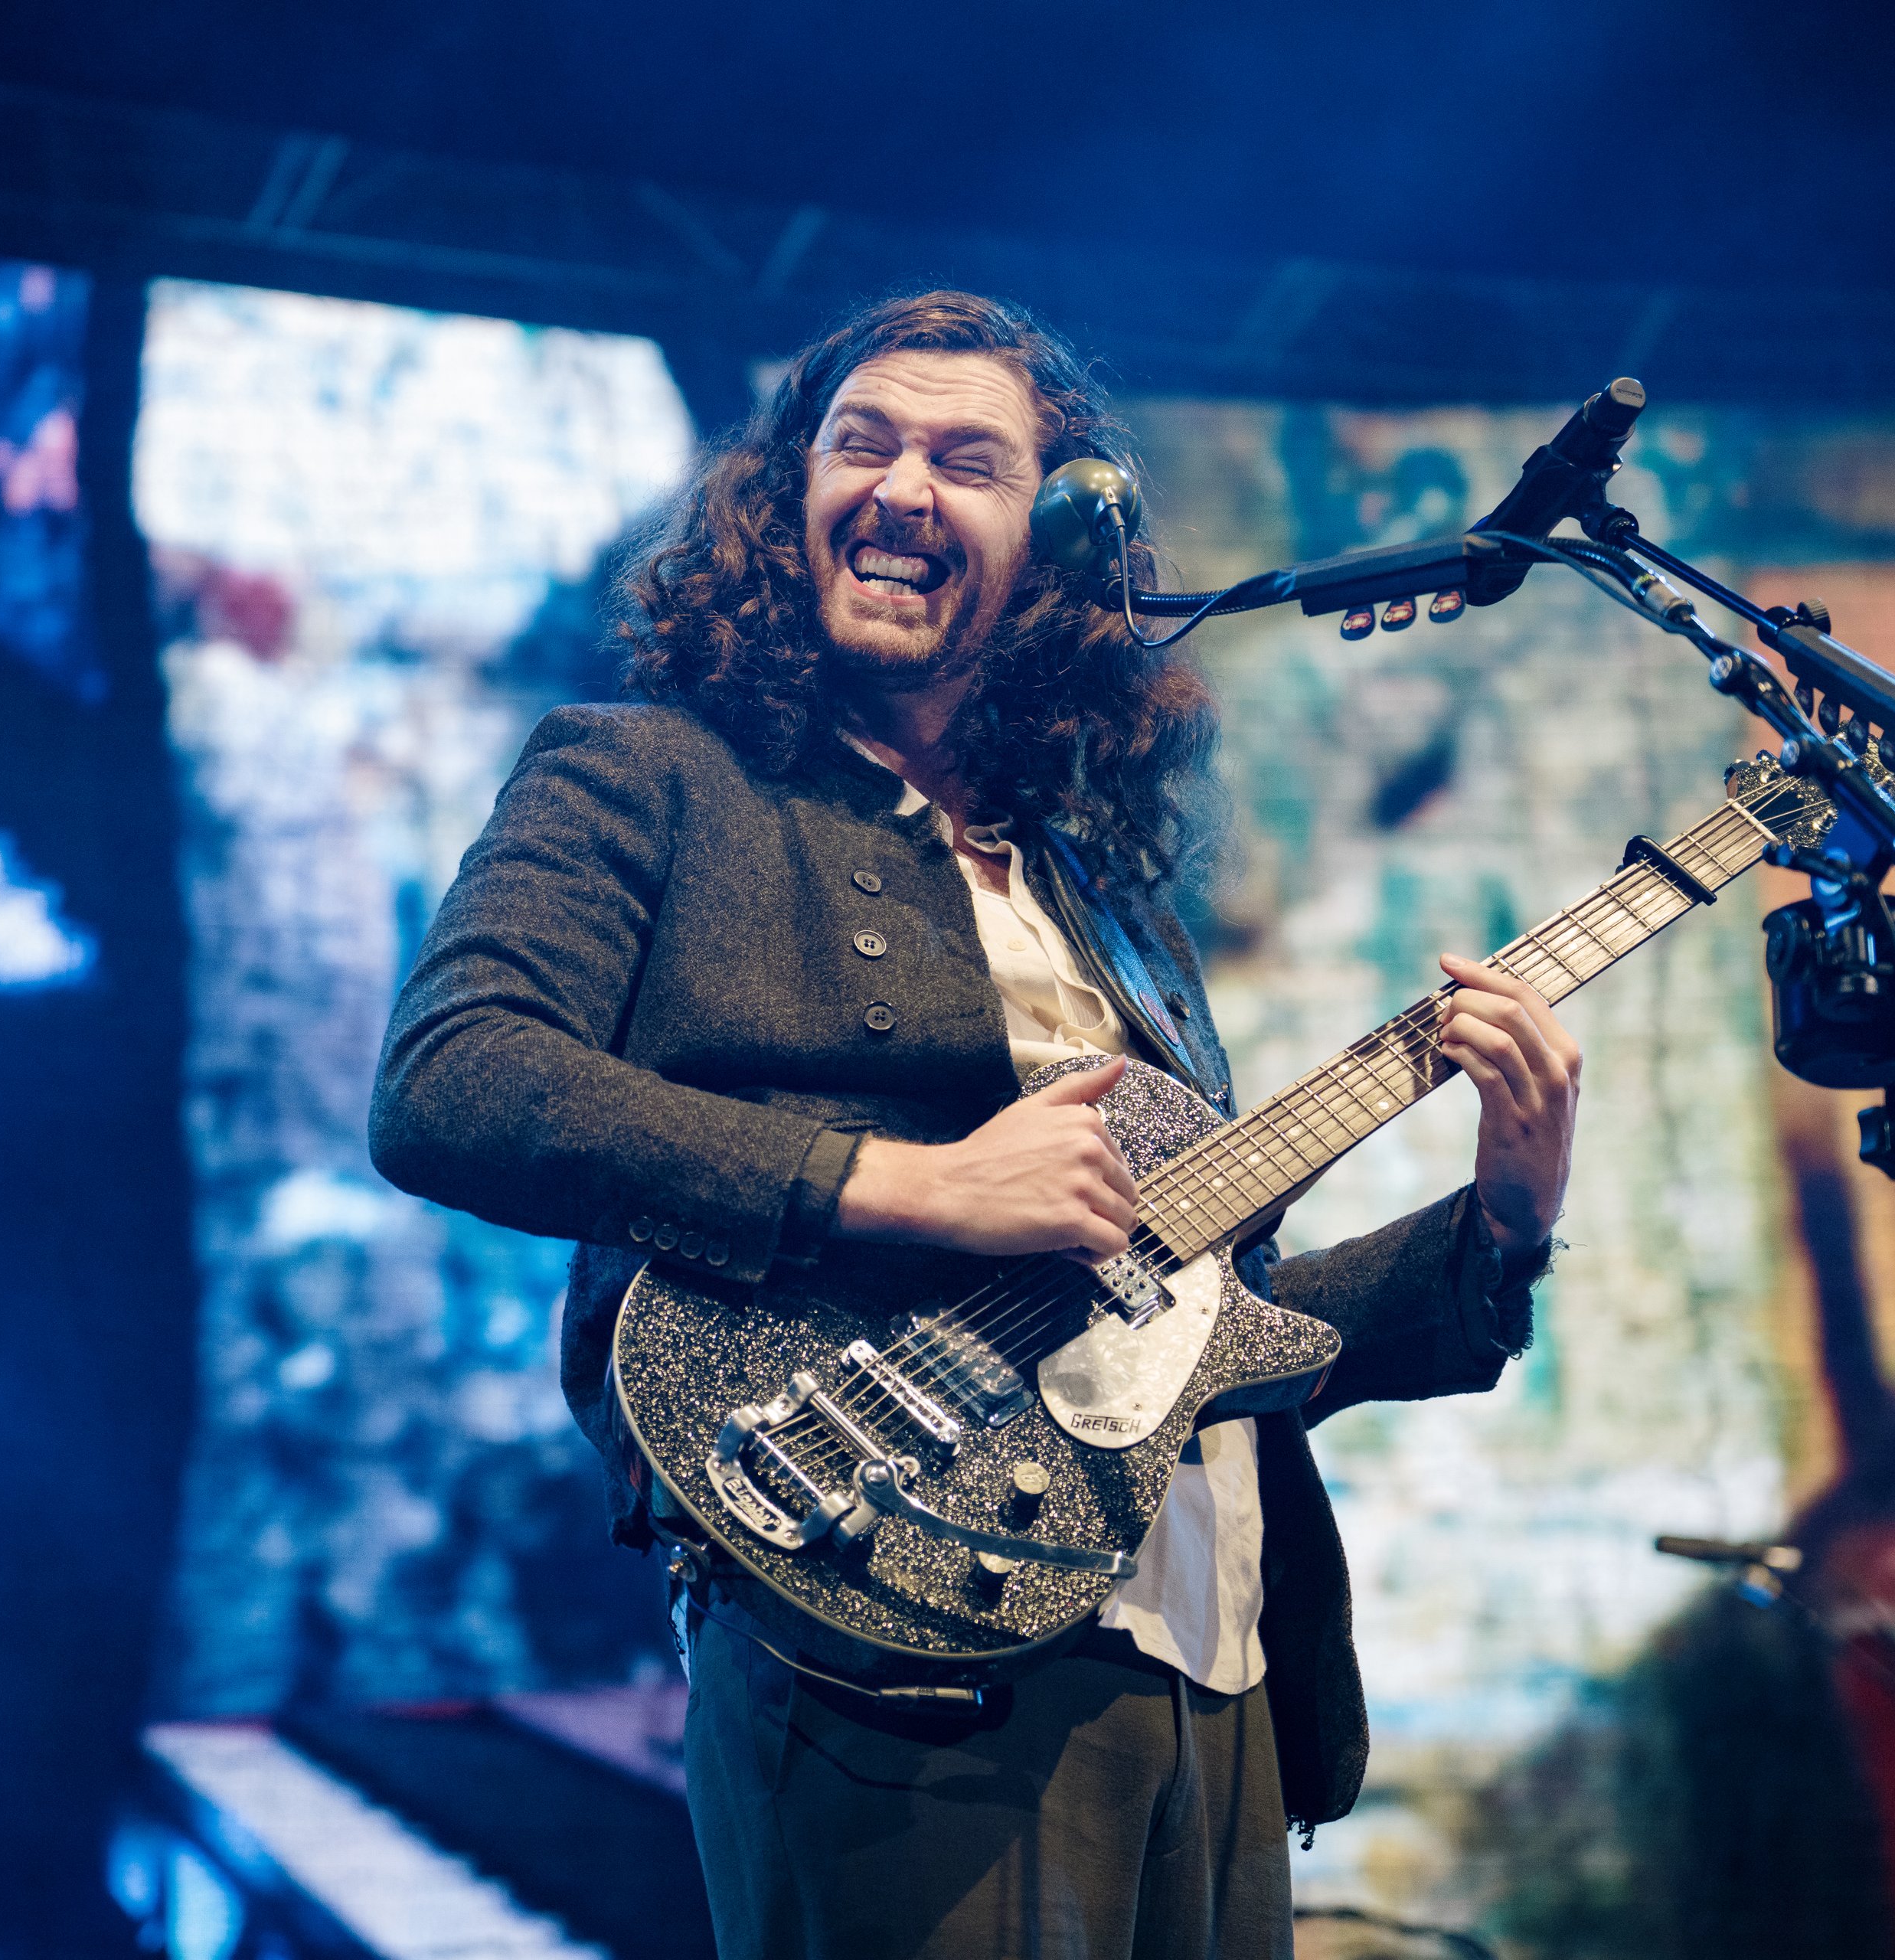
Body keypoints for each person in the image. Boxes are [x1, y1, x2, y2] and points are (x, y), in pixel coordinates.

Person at [371, 291, 1579, 1960]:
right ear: (782, 502)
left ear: (1061, 542)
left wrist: (1501, 1220)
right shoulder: (645, 773)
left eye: (968, 460)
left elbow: (1223, 1328)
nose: (902, 489)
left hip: (1214, 1655)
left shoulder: (1100, 889)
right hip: (897, 1643)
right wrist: (909, 1185)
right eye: (861, 443)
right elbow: (454, 1078)